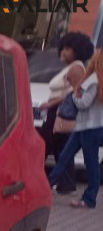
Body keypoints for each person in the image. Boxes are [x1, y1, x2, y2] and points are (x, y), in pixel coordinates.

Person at [39, 32, 95, 194]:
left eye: (68, 49)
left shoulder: (76, 68)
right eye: (63, 47)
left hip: (60, 114)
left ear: (78, 51)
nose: (63, 51)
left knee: (43, 145)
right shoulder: (72, 67)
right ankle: (67, 184)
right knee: (61, 149)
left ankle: (36, 181)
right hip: (57, 113)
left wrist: (51, 103)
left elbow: (76, 92)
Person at [48, 49, 103, 209]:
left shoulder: (94, 81)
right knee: (70, 158)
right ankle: (47, 186)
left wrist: (73, 96)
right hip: (90, 127)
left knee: (82, 161)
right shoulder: (98, 81)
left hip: (88, 128)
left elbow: (83, 103)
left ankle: (89, 199)